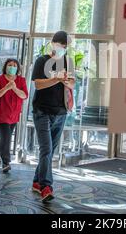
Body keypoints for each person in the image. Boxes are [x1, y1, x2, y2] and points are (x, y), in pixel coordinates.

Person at [31, 31, 75, 202]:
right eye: (60, 45)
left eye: (65, 46)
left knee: (49, 151)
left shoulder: (68, 61)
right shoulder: (42, 60)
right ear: (52, 43)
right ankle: (46, 186)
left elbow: (71, 83)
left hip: (61, 112)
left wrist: (65, 80)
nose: (62, 48)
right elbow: (38, 84)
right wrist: (56, 79)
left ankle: (36, 181)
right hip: (42, 111)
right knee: (46, 149)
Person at [0, 59, 28, 173]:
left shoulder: (21, 80)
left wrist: (14, 88)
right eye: (10, 65)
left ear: (18, 68)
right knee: (6, 136)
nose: (12, 67)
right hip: (1, 113)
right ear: (5, 67)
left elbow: (24, 95)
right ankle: (6, 162)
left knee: (5, 137)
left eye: (14, 65)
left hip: (14, 114)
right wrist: (6, 88)